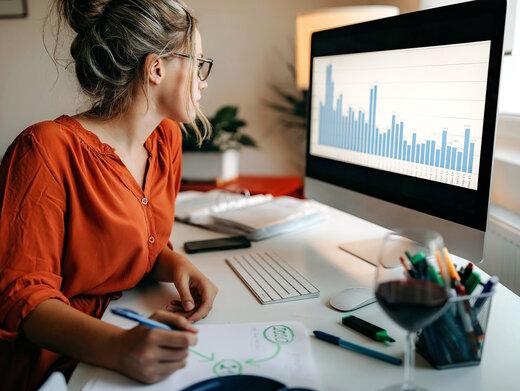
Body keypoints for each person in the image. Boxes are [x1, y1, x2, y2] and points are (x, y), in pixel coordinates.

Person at [0, 1, 218, 390]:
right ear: (156, 68)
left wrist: (174, 264)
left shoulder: (166, 140)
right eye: (198, 63)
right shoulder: (45, 149)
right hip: (51, 369)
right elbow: (23, 300)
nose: (203, 80)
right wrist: (121, 348)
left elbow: (133, 245)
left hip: (121, 327)